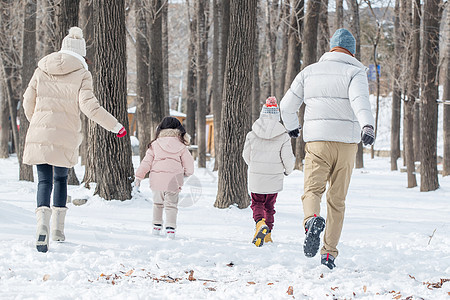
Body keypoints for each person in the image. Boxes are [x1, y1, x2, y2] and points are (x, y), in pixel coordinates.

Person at [23, 27, 127, 253]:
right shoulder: (82, 73)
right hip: (66, 134)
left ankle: (42, 224)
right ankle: (58, 230)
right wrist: (116, 126)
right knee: (60, 179)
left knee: (43, 181)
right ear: (81, 53)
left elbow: (27, 100)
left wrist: (37, 122)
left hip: (39, 133)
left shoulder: (41, 69)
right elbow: (90, 106)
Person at [280, 28, 375, 269]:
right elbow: (359, 101)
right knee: (337, 200)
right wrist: (367, 126)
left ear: (330, 48)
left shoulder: (309, 72)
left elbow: (286, 106)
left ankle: (311, 220)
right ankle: (329, 254)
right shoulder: (356, 72)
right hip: (346, 146)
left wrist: (293, 128)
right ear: (352, 51)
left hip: (317, 143)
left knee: (312, 191)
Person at [243, 97, 295, 247]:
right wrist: (287, 171)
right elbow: (288, 159)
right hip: (274, 176)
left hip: (256, 176)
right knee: (270, 206)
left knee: (257, 203)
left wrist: (254, 167)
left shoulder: (251, 134)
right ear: (277, 115)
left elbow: (246, 156)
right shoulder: (283, 136)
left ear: (262, 113)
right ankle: (268, 235)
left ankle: (260, 223)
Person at [134, 116, 194, 239]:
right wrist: (187, 173)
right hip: (174, 180)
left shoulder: (155, 144)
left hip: (157, 180)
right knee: (171, 205)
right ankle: (170, 229)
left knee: (157, 204)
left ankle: (156, 227)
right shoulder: (181, 145)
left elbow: (146, 162)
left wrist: (139, 176)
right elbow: (189, 163)